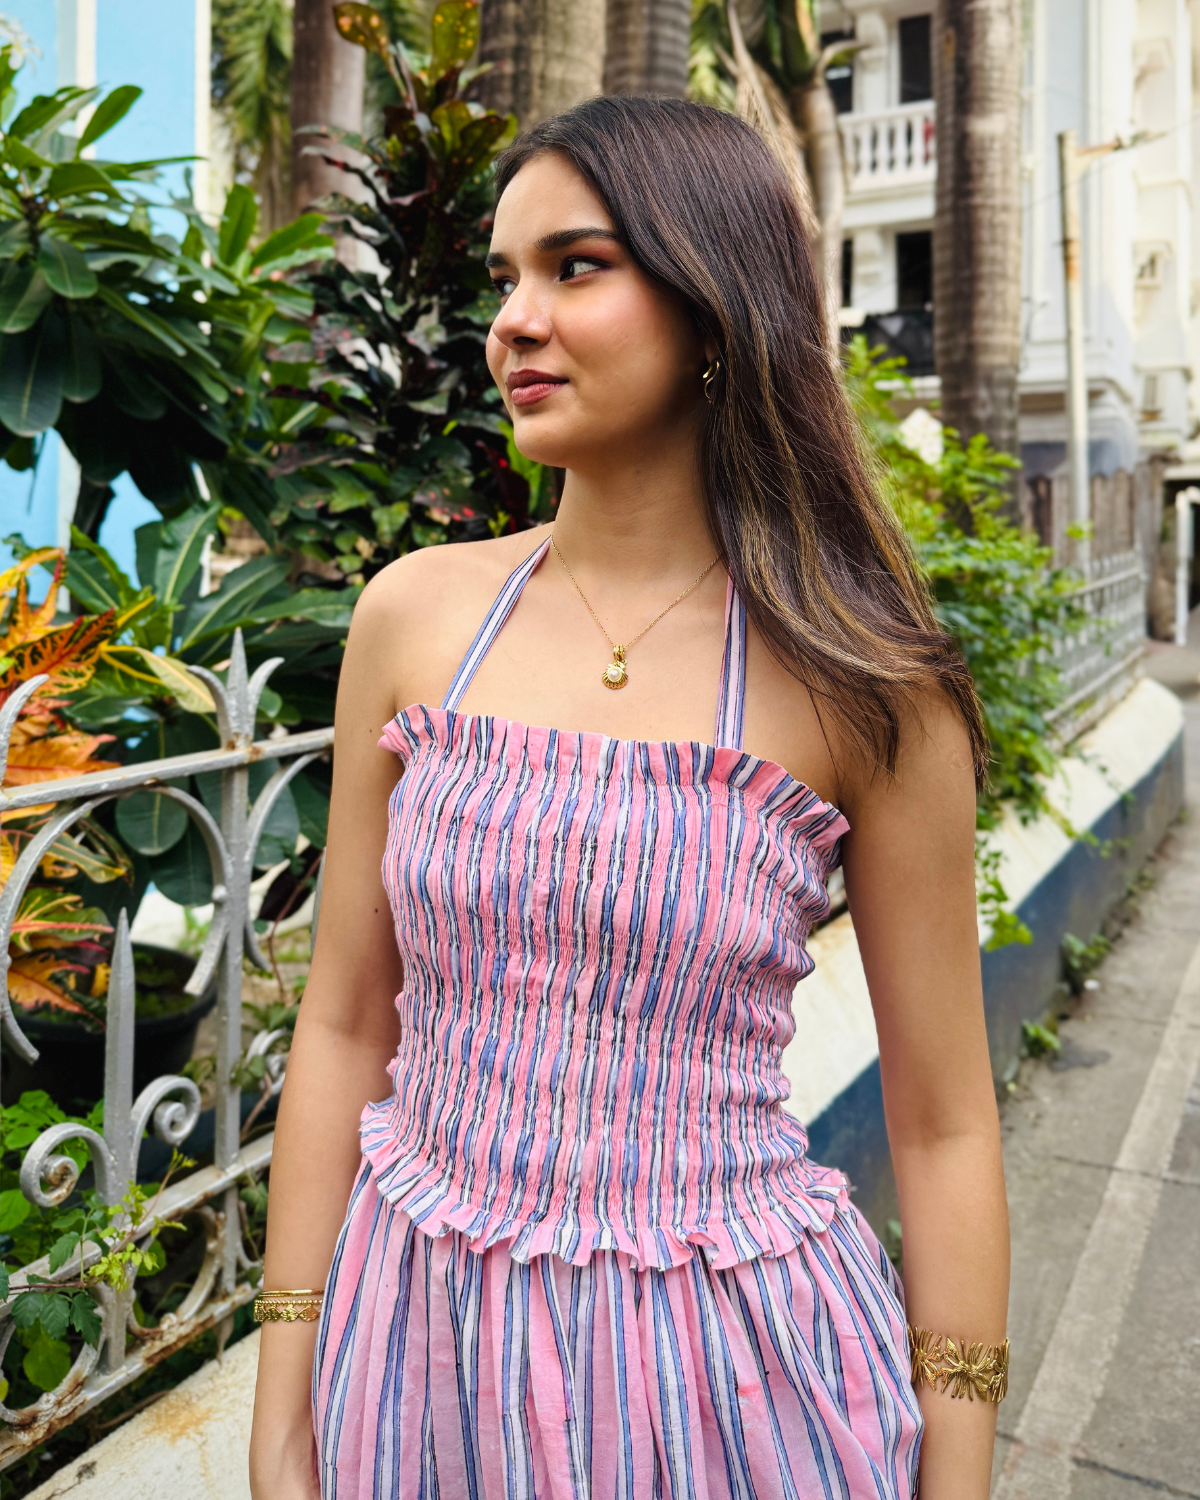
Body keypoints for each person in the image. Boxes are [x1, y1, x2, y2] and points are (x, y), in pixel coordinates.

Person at [248, 96, 1009, 1500]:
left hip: (731, 1384)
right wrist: (285, 1389)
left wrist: (955, 1464)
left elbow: (945, 1120)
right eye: (503, 278)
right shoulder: (415, 619)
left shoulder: (865, 684)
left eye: (575, 267)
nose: (514, 321)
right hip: (422, 1357)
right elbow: (348, 1021)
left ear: (716, 303)